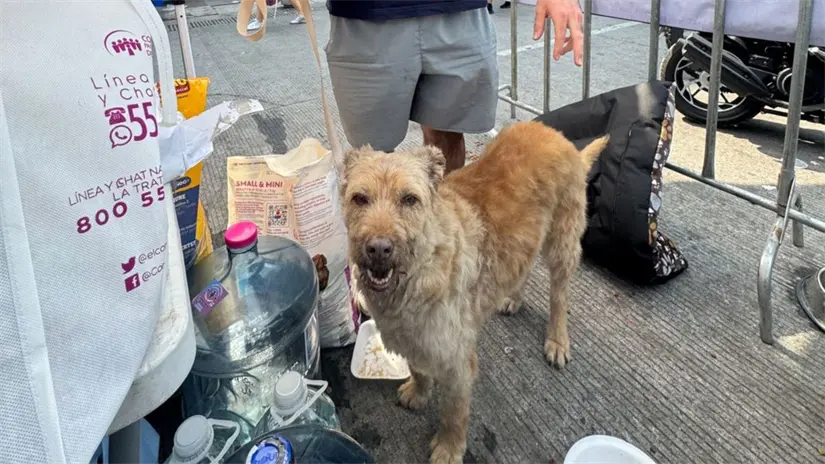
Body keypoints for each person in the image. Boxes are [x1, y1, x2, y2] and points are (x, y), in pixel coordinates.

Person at [324, 0, 584, 174]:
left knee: (447, 139)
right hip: (365, 15)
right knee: (371, 156)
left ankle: (445, 233)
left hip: (460, 12)